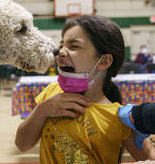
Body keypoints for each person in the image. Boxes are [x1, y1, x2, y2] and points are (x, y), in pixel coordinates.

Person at [15, 15, 155, 163]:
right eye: (61, 45)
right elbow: (22, 144)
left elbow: (149, 157)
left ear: (104, 61)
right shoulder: (51, 93)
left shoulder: (117, 119)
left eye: (74, 46)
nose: (61, 52)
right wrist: (41, 110)